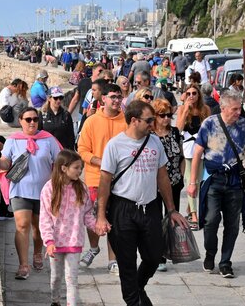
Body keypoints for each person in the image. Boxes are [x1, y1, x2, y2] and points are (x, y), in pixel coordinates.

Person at [95, 100, 187, 306]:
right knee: (126, 262)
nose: (153, 124)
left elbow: (162, 177)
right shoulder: (115, 145)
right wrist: (101, 215)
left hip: (150, 207)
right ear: (134, 120)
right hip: (123, 209)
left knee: (155, 255)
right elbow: (105, 182)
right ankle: (134, 301)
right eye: (149, 120)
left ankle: (138, 287)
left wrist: (171, 209)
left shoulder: (154, 142)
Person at [187, 90, 245, 278]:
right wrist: (192, 182)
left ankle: (225, 262)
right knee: (211, 220)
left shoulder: (244, 125)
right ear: (223, 108)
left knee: (232, 224)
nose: (238, 112)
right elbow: (197, 153)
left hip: (235, 181)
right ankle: (210, 252)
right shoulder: (209, 124)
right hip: (214, 179)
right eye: (234, 109)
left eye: (240, 108)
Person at [0, 107, 61, 280]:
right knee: (22, 225)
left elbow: (59, 163)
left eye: (35, 119)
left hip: (44, 192)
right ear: (20, 121)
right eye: (28, 119)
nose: (32, 122)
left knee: (38, 228)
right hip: (20, 190)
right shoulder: (13, 140)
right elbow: (6, 162)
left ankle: (37, 252)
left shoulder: (48, 139)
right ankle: (23, 265)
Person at [77, 83, 127, 274]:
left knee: (114, 218)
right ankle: (93, 248)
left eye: (118, 97)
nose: (116, 100)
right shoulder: (91, 121)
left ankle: (112, 259)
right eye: (112, 97)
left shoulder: (127, 122)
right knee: (93, 217)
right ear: (103, 99)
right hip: (95, 178)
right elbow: (81, 150)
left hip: (120, 179)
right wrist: (100, 161)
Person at [40, 149, 96, 306]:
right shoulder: (49, 189)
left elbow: (87, 214)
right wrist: (49, 241)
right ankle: (55, 301)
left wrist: (96, 226)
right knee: (56, 277)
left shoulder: (82, 188)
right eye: (76, 167)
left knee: (72, 280)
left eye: (81, 167)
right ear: (64, 168)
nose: (80, 171)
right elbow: (45, 218)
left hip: (74, 241)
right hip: (55, 244)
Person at [151, 98, 185, 272]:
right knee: (156, 220)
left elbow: (181, 157)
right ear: (155, 116)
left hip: (174, 183)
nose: (166, 119)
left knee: (171, 218)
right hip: (154, 184)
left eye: (169, 115)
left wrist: (181, 175)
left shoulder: (175, 132)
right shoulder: (150, 135)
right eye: (162, 115)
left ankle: (170, 250)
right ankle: (159, 256)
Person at [176, 84, 210, 230]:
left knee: (200, 179)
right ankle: (194, 215)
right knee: (191, 180)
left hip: (202, 148)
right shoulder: (182, 109)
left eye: (194, 93)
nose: (191, 96)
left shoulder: (205, 109)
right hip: (189, 149)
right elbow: (178, 129)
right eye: (188, 93)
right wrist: (185, 110)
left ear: (199, 95)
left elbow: (210, 127)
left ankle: (191, 208)